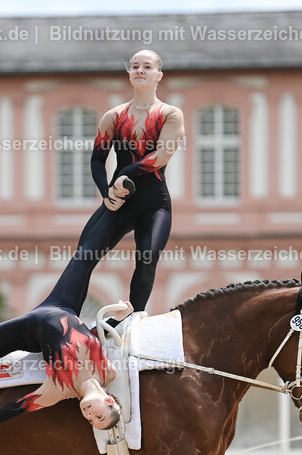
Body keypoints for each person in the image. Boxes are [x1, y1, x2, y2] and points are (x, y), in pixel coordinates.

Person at [0, 277, 133, 455]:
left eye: (91, 420)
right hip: (61, 308)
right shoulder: (108, 372)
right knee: (85, 260)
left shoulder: (58, 390)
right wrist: (118, 319)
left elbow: (14, 408)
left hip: (29, 330)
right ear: (110, 401)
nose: (89, 415)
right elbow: (90, 337)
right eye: (99, 416)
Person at [60, 49, 185, 316]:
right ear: (129, 74)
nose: (140, 70)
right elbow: (97, 159)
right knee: (83, 257)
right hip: (118, 201)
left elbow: (161, 156)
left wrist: (125, 173)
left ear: (159, 75)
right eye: (135, 66)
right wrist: (107, 192)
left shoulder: (170, 114)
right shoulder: (114, 116)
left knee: (147, 259)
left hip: (154, 204)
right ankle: (66, 317)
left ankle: (134, 317)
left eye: (147, 66)